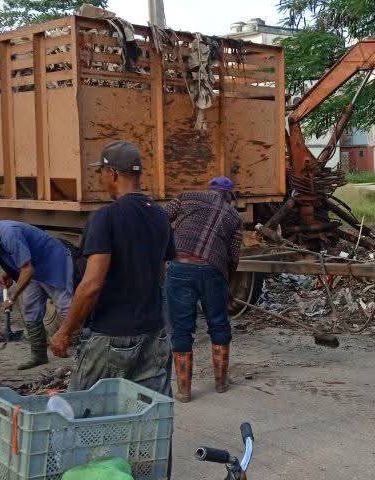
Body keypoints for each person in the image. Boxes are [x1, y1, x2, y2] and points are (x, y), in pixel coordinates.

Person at [48, 140, 176, 395]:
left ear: (113, 173)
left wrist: (64, 331)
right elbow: (161, 275)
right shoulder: (160, 215)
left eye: (101, 173)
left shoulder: (106, 217)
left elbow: (92, 284)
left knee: (83, 409)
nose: (100, 179)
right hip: (154, 333)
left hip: (112, 335)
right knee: (146, 411)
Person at [164, 176, 243, 403]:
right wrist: (227, 283)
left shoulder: (185, 197)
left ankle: (184, 391)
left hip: (179, 266)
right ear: (229, 196)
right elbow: (233, 257)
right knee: (218, 323)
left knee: (181, 328)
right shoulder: (234, 216)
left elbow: (160, 220)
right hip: (213, 270)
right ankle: (221, 383)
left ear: (210, 190)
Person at [0, 213, 72, 370]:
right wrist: (7, 272)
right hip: (33, 266)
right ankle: (39, 355)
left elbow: (27, 270)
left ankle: (83, 351)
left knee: (67, 307)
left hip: (52, 261)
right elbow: (17, 258)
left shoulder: (9, 233)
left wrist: (12, 298)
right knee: (30, 308)